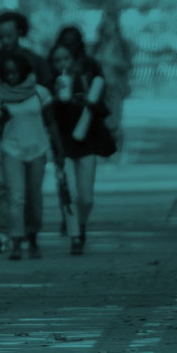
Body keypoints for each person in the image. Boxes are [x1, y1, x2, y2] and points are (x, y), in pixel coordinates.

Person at [0, 10, 54, 253]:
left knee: (28, 189)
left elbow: (49, 97)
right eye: (1, 36)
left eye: (10, 35)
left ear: (20, 32)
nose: (5, 40)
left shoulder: (34, 61)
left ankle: (27, 230)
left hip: (30, 135)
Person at [47, 26, 116, 255]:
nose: (70, 50)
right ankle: (75, 235)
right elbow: (44, 109)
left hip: (87, 137)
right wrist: (56, 97)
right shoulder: (52, 72)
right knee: (69, 192)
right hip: (62, 140)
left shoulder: (90, 68)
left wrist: (87, 100)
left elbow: (103, 100)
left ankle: (81, 224)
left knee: (86, 197)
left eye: (73, 44)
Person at [0, 51, 53, 260]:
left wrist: (58, 150)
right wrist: (0, 119)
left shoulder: (40, 93)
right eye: (7, 73)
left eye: (15, 72)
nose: (11, 76)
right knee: (16, 198)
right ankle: (16, 241)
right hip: (12, 150)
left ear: (23, 72)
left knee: (34, 198)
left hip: (37, 150)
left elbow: (51, 123)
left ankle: (32, 238)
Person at [91, 9, 133, 152]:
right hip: (98, 87)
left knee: (115, 119)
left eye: (109, 22)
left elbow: (128, 65)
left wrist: (111, 62)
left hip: (115, 86)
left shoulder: (121, 44)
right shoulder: (98, 44)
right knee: (99, 119)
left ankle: (118, 150)